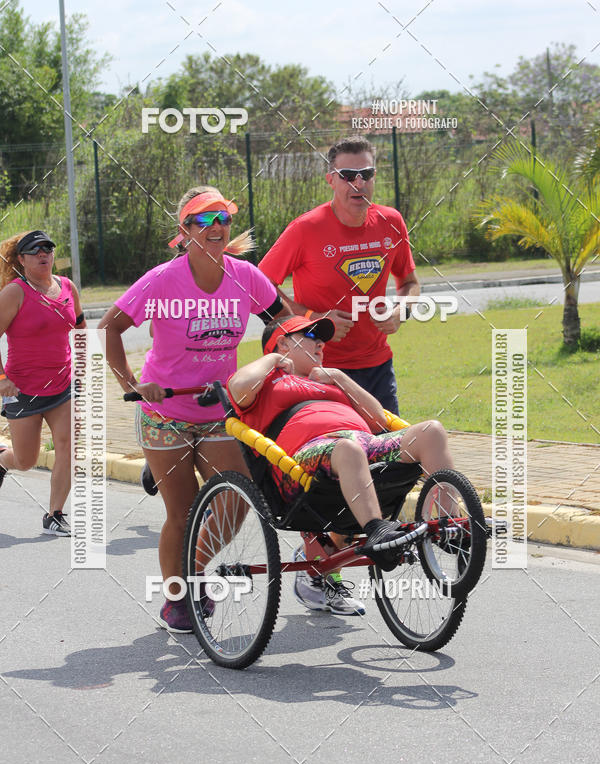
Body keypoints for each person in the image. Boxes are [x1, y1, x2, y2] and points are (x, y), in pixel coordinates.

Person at [99, 186, 286, 634]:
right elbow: (108, 328)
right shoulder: (163, 280)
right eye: (204, 220)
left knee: (237, 501)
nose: (216, 226)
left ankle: (193, 571)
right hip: (165, 414)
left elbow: (284, 322)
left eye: (222, 217)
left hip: (218, 409)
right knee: (181, 515)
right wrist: (134, 386)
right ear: (185, 231)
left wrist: (275, 364)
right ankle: (177, 598)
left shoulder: (246, 276)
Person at [258, 136, 421, 607]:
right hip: (318, 378)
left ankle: (372, 543)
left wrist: (401, 309)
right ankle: (315, 573)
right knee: (321, 480)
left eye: (366, 173)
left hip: (375, 369)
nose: (358, 183)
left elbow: (408, 282)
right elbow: (262, 288)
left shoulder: (390, 222)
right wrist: (314, 322)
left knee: (387, 467)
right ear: (330, 179)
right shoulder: (306, 229)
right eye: (348, 175)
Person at [227, 316, 455, 613]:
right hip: (302, 460)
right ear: (282, 341)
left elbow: (378, 421)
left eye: (322, 338)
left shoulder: (331, 381)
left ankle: (452, 527)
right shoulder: (267, 380)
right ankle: (377, 530)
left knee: (431, 431)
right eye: (309, 334)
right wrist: (273, 358)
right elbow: (237, 388)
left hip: (361, 445)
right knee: (346, 449)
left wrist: (340, 377)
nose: (321, 342)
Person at [0, 230, 86, 535]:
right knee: (25, 460)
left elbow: (79, 325)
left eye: (48, 248)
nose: (43, 254)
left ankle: (55, 514)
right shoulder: (14, 293)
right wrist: (1, 379)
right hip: (22, 390)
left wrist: (83, 365)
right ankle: (3, 459)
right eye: (34, 250)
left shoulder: (66, 287)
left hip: (63, 385)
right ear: (21, 260)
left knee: (68, 446)